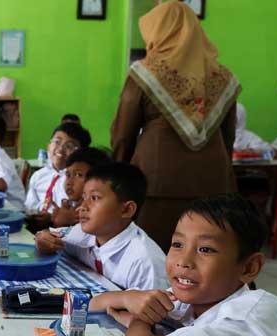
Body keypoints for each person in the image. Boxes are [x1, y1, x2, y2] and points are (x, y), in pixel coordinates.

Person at [90, 194, 277, 336]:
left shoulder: (247, 320)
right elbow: (94, 304)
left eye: (205, 249)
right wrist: (128, 298)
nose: (183, 261)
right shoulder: (193, 298)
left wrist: (140, 319)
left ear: (249, 267)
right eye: (178, 244)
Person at [111, 1, 240, 252]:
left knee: (155, 253)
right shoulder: (222, 76)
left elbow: (123, 134)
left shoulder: (144, 73)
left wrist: (120, 177)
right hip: (213, 181)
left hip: (156, 182)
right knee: (205, 252)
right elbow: (228, 137)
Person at [36, 162, 167, 290]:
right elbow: (48, 236)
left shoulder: (145, 262)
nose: (82, 207)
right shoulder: (82, 234)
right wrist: (43, 239)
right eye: (84, 197)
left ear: (126, 209)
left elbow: (156, 304)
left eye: (94, 198)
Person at [25, 122, 91, 232]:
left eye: (69, 146)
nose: (60, 149)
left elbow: (75, 215)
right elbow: (29, 206)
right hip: (34, 227)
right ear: (48, 146)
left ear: (81, 153)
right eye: (57, 142)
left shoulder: (77, 181)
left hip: (63, 231)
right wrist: (34, 214)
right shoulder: (38, 175)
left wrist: (51, 217)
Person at [52, 147, 113, 227]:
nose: (69, 182)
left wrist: (62, 222)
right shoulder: (73, 207)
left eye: (79, 175)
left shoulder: (97, 211)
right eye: (68, 175)